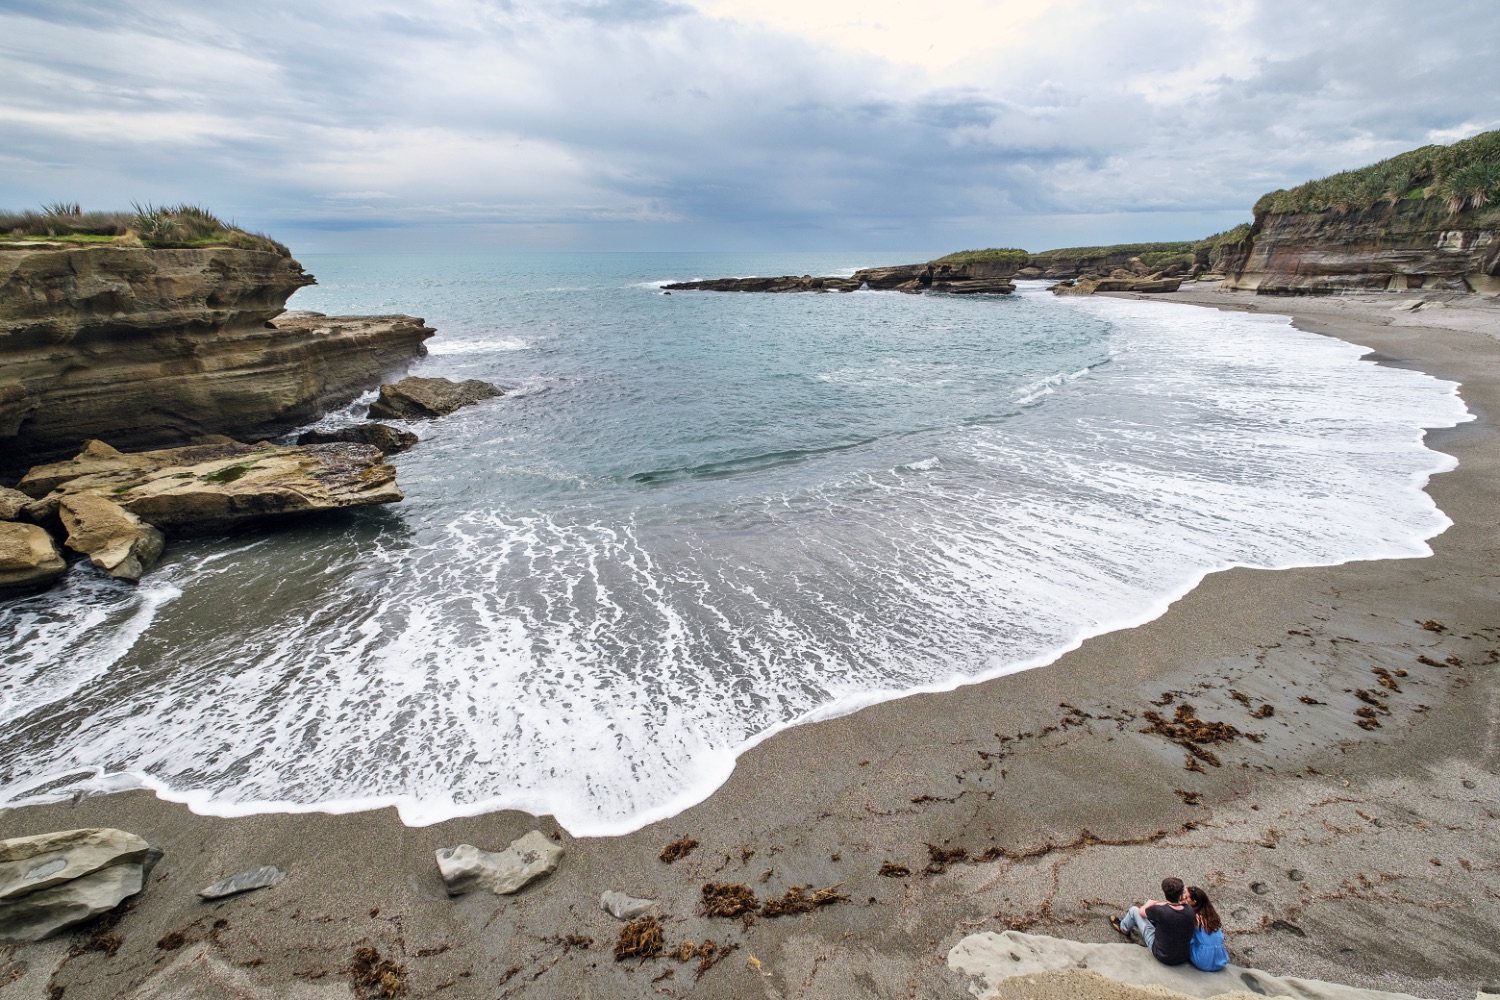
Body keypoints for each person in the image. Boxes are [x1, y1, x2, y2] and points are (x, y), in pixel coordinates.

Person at [1110, 876, 1196, 966]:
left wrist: (1148, 904)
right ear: (1180, 894)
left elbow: (1141, 912)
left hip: (1162, 955)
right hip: (1182, 956)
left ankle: (1124, 927)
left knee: (1134, 910)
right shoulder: (1189, 910)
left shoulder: (1159, 910)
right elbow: (1172, 907)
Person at [1186, 885, 1229, 972]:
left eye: (1186, 897)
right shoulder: (1211, 915)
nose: (1183, 898)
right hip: (1220, 959)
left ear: (1194, 902)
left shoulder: (1194, 917)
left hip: (1202, 960)